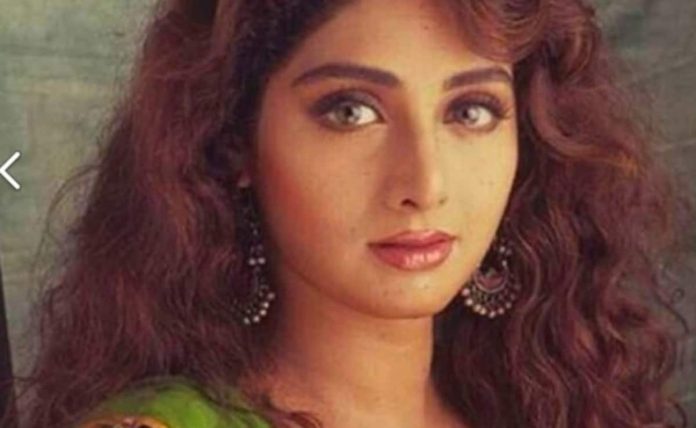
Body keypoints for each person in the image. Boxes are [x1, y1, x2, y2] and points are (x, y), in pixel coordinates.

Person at [3, 0, 693, 427]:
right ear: (233, 140)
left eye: (470, 111)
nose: (425, 183)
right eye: (351, 111)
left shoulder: (560, 408)